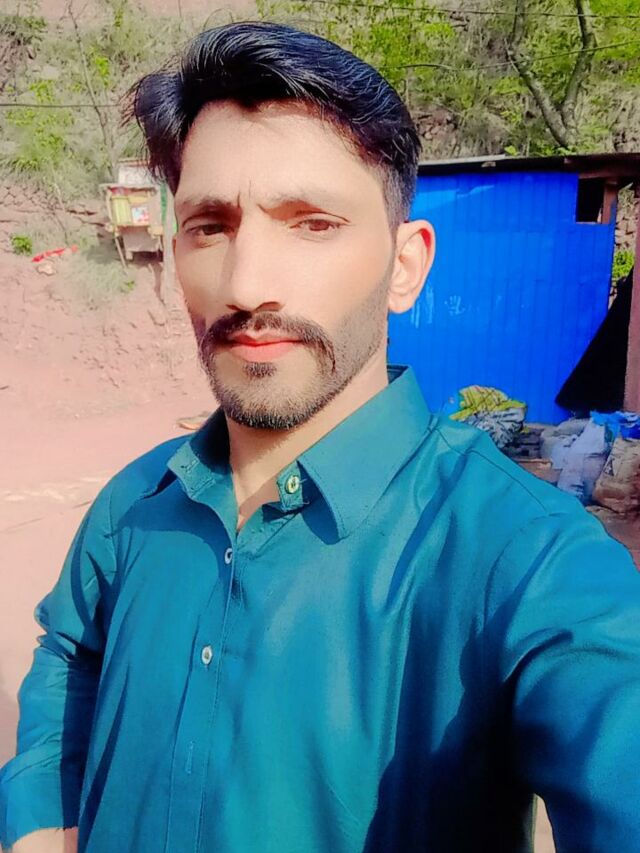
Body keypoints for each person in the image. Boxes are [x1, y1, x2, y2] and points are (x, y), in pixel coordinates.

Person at [1, 19, 639, 853]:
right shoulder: (133, 505)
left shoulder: (528, 558)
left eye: (311, 223)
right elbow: (70, 655)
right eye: (210, 225)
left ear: (405, 266)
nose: (245, 284)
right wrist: (39, 817)